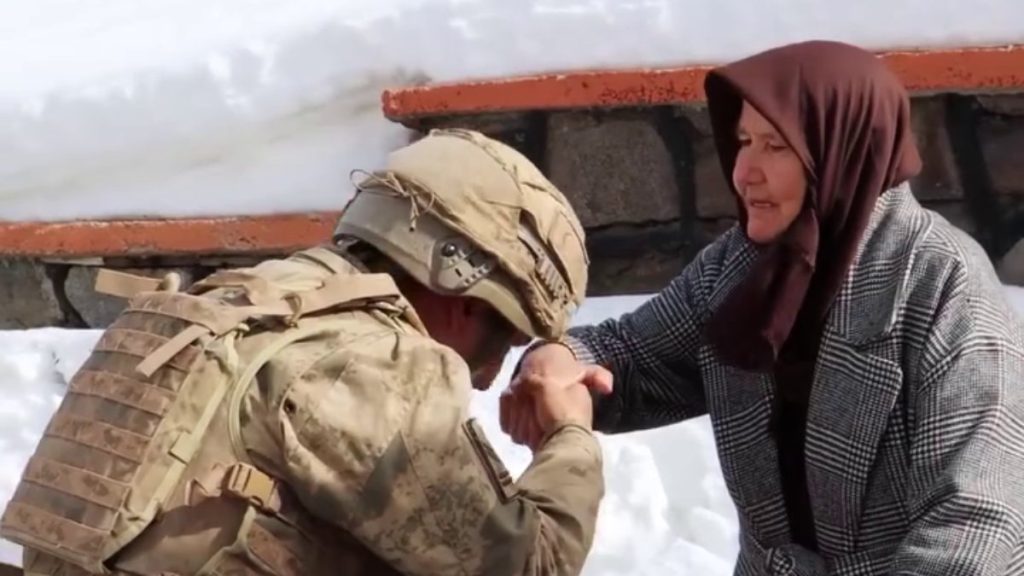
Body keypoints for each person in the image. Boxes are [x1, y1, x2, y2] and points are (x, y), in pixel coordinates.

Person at [505, 40, 1024, 575]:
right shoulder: (741, 268)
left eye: (776, 146)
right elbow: (631, 354)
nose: (744, 171)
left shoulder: (944, 284)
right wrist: (559, 360)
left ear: (842, 147)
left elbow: (975, 522)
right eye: (744, 141)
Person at [3, 129, 604, 576]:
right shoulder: (373, 364)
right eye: (505, 338)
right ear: (464, 293)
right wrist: (570, 433)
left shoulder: (230, 305)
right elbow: (531, 567)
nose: (487, 377)